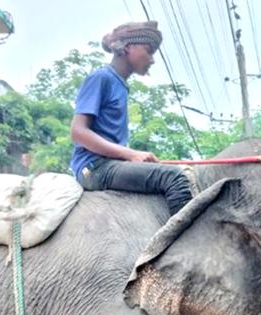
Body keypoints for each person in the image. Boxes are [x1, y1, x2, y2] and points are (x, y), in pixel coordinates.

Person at [69, 21, 193, 216]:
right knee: (176, 179)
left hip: (111, 164)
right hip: (94, 167)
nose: (152, 60)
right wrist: (130, 154)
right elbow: (78, 132)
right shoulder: (101, 78)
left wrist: (133, 156)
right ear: (127, 48)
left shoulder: (120, 84)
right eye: (149, 51)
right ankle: (188, 246)